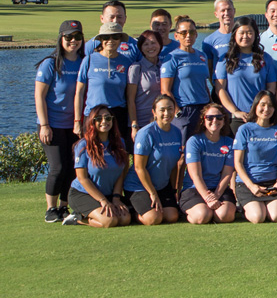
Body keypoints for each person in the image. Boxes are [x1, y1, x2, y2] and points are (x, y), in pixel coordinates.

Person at [35, 20, 84, 222]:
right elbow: (39, 96)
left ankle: (64, 207)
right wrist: (44, 125)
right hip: (52, 124)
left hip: (75, 124)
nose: (73, 41)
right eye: (68, 37)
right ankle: (50, 208)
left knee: (73, 166)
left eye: (77, 37)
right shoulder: (51, 63)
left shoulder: (84, 61)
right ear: (61, 38)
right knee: (58, 167)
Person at [63, 106, 132, 228]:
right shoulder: (83, 145)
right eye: (99, 118)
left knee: (125, 219)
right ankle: (78, 218)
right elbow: (82, 178)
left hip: (108, 194)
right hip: (83, 194)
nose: (104, 121)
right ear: (92, 122)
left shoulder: (119, 142)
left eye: (108, 118)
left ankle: (91, 213)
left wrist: (116, 197)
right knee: (110, 221)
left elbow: (121, 173)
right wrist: (103, 201)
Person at [122, 94, 184, 226]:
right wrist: (152, 193)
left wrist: (173, 191)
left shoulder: (177, 132)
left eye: (170, 109)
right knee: (154, 219)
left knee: (172, 216)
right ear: (154, 112)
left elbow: (174, 165)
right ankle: (132, 210)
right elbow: (139, 167)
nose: (166, 113)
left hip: (161, 185)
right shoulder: (146, 133)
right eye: (162, 110)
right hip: (138, 186)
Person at [75, 21, 136, 149]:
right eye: (106, 37)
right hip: (93, 114)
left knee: (117, 156)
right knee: (93, 154)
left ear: (120, 39)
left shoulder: (127, 62)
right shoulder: (89, 59)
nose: (111, 40)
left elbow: (131, 97)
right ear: (101, 40)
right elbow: (79, 93)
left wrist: (133, 123)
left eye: (115, 37)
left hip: (117, 115)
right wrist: (77, 121)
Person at [216, 16, 277, 132]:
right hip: (235, 118)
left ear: (256, 35)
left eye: (249, 33)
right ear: (234, 35)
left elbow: (271, 88)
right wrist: (235, 111)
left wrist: (263, 109)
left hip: (260, 116)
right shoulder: (225, 59)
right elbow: (220, 90)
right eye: (241, 33)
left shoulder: (265, 58)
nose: (245, 36)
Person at [232, 90, 277, 223]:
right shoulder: (245, 129)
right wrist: (252, 186)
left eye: (270, 105)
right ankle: (244, 206)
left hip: (271, 183)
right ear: (255, 106)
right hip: (248, 183)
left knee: (276, 216)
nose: (266, 109)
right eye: (262, 104)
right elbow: (237, 163)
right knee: (258, 217)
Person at [179, 102, 236, 224]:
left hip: (218, 188)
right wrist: (207, 198)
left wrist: (216, 195)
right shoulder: (194, 141)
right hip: (194, 188)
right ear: (203, 120)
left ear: (224, 120)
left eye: (219, 117)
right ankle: (191, 212)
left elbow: (227, 173)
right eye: (210, 117)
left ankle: (212, 210)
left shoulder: (229, 142)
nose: (215, 120)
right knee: (202, 216)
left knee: (225, 216)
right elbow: (196, 175)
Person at [160, 16, 212, 137]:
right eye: (183, 33)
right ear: (176, 36)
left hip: (204, 107)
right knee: (184, 149)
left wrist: (210, 104)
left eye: (192, 32)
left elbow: (204, 83)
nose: (188, 36)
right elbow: (165, 90)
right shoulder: (172, 58)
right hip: (185, 109)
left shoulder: (202, 56)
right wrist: (178, 112)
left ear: (196, 34)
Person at [126, 30, 165, 137]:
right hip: (142, 123)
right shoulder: (136, 68)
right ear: (141, 48)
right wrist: (134, 125)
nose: (150, 47)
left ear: (160, 44)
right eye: (146, 44)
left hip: (162, 122)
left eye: (153, 43)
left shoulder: (165, 66)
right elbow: (130, 99)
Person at [204, 0, 237, 66]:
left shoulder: (244, 36)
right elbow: (209, 68)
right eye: (222, 10)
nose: (226, 13)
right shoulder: (208, 41)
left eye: (229, 9)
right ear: (216, 14)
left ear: (234, 11)